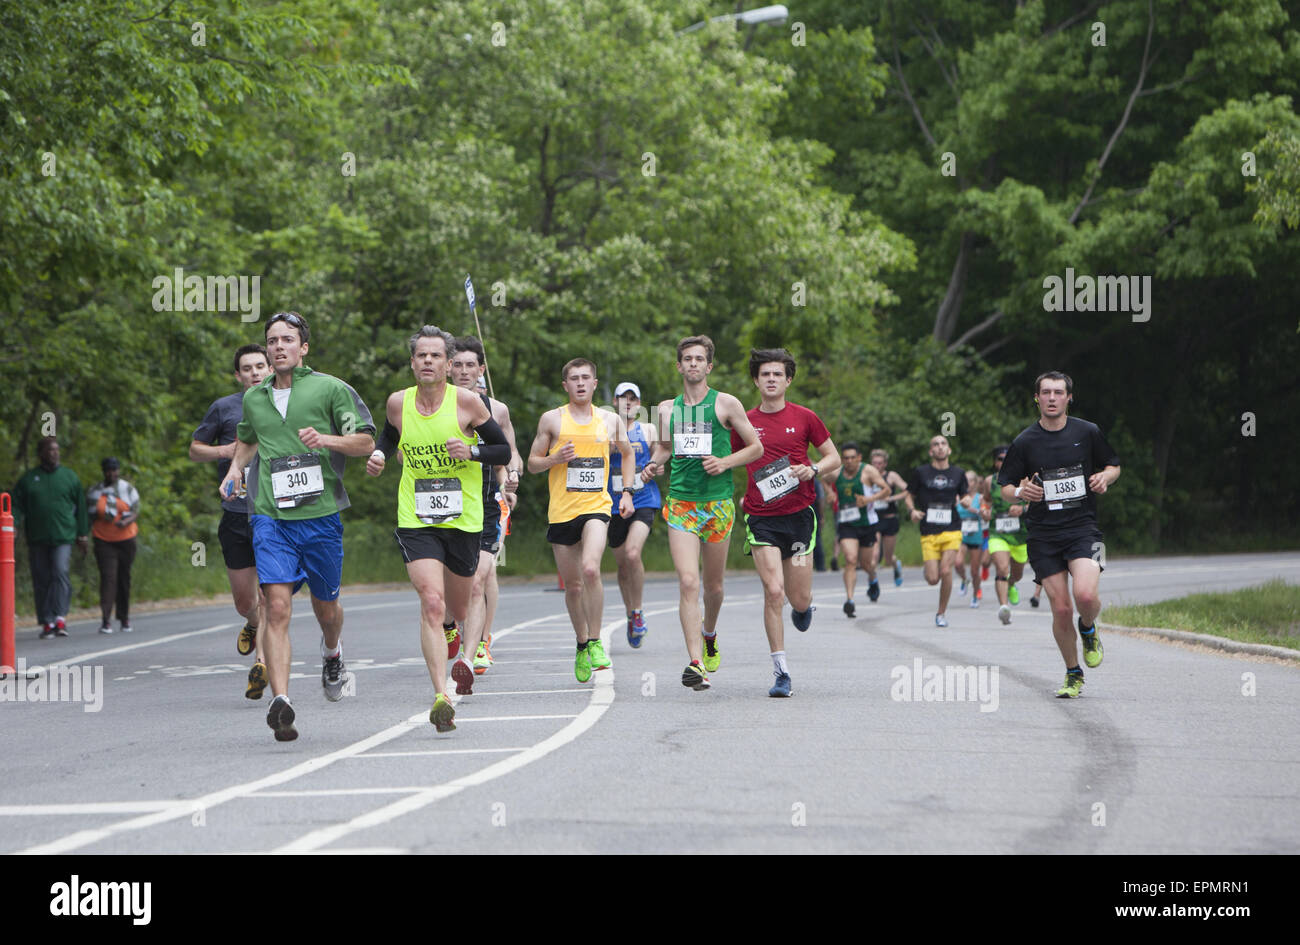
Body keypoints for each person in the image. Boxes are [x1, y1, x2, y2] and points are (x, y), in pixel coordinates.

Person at [219, 312, 376, 742]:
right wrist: (235, 469)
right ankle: (281, 702)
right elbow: (249, 439)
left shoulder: (329, 389)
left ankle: (332, 652)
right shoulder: (255, 398)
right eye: (272, 340)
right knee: (277, 607)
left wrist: (325, 440)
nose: (278, 346)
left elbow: (365, 441)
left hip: (320, 516)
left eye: (287, 339)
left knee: (327, 610)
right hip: (269, 516)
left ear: (303, 347)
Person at [368, 326, 511, 727]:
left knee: (460, 606)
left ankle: (460, 642)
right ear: (412, 362)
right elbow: (390, 434)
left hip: (463, 518)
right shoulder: (399, 402)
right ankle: (440, 693)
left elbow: (501, 449)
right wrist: (380, 454)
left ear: (448, 364)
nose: (427, 362)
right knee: (432, 601)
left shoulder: (467, 403)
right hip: (416, 517)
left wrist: (472, 450)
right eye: (421, 356)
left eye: (435, 356)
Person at [643, 335, 762, 691]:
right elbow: (665, 448)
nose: (693, 364)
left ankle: (709, 632)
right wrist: (653, 465)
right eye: (687, 359)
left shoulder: (726, 404)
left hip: (718, 504)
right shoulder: (666, 409)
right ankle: (696, 662)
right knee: (688, 581)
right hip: (681, 503)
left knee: (713, 587)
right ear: (679, 366)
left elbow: (756, 447)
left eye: (699, 359)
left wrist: (724, 461)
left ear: (709, 366)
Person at [998, 371, 1121, 698]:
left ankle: (1089, 628)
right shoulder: (1024, 442)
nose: (1052, 398)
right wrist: (1021, 492)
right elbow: (1005, 490)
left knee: (1085, 597)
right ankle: (1072, 672)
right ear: (1037, 398)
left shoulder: (1088, 431)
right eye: (1046, 393)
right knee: (1061, 608)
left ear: (1069, 397)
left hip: (1085, 530)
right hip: (1043, 535)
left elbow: (1113, 464)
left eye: (1058, 392)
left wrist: (1105, 478)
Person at [733, 349, 840, 696]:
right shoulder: (745, 422)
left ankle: (803, 608)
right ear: (756, 380)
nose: (771, 379)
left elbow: (833, 458)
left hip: (798, 519)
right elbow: (728, 458)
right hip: (761, 519)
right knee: (773, 592)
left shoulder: (806, 417)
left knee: (798, 597)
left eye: (777, 374)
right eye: (765, 374)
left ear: (788, 379)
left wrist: (812, 470)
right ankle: (781, 672)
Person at [528, 358, 635, 682]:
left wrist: (627, 492)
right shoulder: (552, 421)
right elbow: (532, 464)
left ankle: (596, 640)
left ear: (594, 382)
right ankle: (581, 643)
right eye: (573, 378)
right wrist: (554, 459)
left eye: (585, 378)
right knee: (573, 586)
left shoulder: (609, 419)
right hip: (562, 512)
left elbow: (627, 453)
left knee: (591, 568)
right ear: (565, 386)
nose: (580, 383)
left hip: (597, 506)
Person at [190, 343, 274, 698]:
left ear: (270, 368)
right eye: (247, 368)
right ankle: (252, 623)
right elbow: (195, 450)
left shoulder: (285, 404)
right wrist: (226, 452)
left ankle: (262, 664)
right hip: (236, 514)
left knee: (271, 593)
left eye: (260, 366)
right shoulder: (224, 408)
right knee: (245, 600)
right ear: (238, 375)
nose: (255, 373)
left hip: (273, 513)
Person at [448, 336, 522, 689]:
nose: (463, 371)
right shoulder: (435, 405)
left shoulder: (498, 409)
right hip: (447, 502)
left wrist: (512, 479)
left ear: (481, 369)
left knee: (482, 574)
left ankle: (478, 643)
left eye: (470, 365)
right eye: (457, 364)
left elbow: (510, 452)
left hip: (488, 499)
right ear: (449, 368)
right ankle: (451, 623)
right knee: (454, 577)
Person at [13, 437, 89, 639]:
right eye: (50, 450)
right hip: (37, 537)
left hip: (63, 535)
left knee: (60, 571)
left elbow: (81, 507)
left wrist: (82, 534)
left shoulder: (69, 477)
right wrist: (13, 524)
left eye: (56, 450)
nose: (54, 453)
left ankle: (60, 618)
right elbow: (16, 503)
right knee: (42, 578)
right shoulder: (29, 479)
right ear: (41, 454)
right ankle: (47, 621)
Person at [606, 382, 663, 648]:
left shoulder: (648, 429)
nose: (628, 402)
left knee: (632, 553)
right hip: (612, 502)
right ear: (615, 401)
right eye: (622, 398)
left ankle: (638, 611)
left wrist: (655, 466)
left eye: (633, 398)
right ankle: (630, 613)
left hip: (643, 498)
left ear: (639, 404)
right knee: (622, 565)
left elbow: (658, 457)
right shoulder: (603, 429)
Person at [903, 435, 974, 628]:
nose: (940, 447)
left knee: (945, 570)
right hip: (928, 531)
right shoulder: (921, 472)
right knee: (933, 579)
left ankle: (941, 613)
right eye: (935, 444)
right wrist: (912, 510)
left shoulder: (958, 473)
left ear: (949, 450)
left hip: (952, 529)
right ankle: (940, 588)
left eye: (943, 444)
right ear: (930, 451)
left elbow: (965, 495)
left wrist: (966, 500)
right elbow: (909, 495)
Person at [834, 442, 891, 617]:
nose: (849, 461)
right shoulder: (837, 472)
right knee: (851, 560)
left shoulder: (868, 471)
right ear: (842, 459)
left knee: (866, 564)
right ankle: (850, 600)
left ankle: (872, 578)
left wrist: (869, 499)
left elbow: (886, 490)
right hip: (847, 524)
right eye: (846, 458)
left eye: (853, 457)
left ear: (859, 457)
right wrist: (830, 494)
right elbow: (823, 479)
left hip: (867, 523)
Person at [87, 458, 140, 634]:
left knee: (124, 578)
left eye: (114, 470)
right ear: (103, 471)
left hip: (126, 539)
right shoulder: (95, 491)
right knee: (108, 578)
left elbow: (135, 511)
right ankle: (105, 620)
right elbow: (90, 514)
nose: (111, 473)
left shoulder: (127, 489)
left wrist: (126, 521)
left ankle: (124, 618)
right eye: (108, 470)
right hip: (103, 540)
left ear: (118, 471)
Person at [986, 445, 1029, 625]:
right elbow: (985, 501)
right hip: (998, 532)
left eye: (1006, 459)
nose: (1003, 462)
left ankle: (1012, 584)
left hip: (1020, 535)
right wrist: (984, 510)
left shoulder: (1024, 479)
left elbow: (1038, 502)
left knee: (1017, 573)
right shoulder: (989, 481)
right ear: (995, 463)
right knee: (1002, 569)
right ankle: (1004, 608)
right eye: (1000, 459)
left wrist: (1022, 508)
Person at [868, 449, 909, 586]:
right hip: (874, 519)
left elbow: (908, 490)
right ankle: (873, 583)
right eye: (874, 463)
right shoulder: (867, 476)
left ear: (885, 464)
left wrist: (891, 498)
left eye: (880, 463)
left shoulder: (891, 476)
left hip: (889, 519)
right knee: (873, 557)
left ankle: (895, 564)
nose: (877, 466)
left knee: (887, 558)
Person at [954, 470, 988, 608]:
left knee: (975, 571)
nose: (967, 483)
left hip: (976, 535)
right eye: (965, 480)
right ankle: (964, 579)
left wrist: (975, 510)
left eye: (970, 480)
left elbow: (986, 515)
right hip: (961, 534)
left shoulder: (980, 498)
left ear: (975, 483)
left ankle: (975, 595)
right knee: (957, 563)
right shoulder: (958, 497)